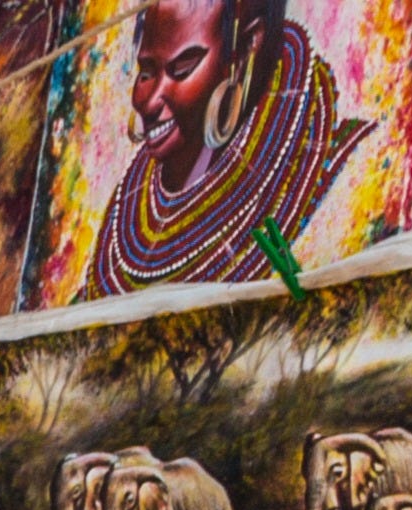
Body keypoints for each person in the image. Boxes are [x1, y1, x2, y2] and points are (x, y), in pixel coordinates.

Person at [89, 0, 365, 293]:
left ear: (246, 49)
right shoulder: (122, 217)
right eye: (146, 73)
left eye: (182, 68)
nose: (151, 99)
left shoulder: (355, 170)